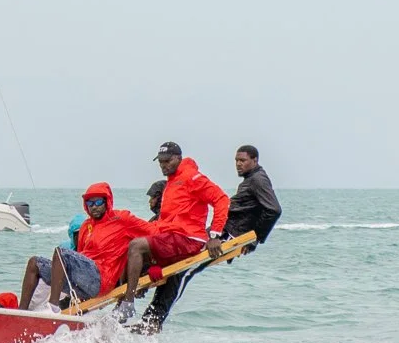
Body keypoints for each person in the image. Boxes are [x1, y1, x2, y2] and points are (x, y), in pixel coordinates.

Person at [137, 144, 282, 333]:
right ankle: (147, 307)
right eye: (236, 160)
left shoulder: (258, 179)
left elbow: (274, 209)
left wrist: (255, 239)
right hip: (224, 229)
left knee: (184, 270)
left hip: (229, 233)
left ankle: (153, 321)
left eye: (243, 160)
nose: (238, 164)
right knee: (176, 262)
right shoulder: (251, 179)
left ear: (255, 161)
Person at [115, 142, 229, 321]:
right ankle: (118, 316)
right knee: (125, 250)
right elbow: (167, 222)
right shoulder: (172, 182)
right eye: (160, 162)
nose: (163, 165)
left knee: (136, 246)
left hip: (188, 239)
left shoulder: (192, 177)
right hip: (170, 239)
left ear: (178, 158)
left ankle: (127, 305)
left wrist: (215, 235)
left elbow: (221, 199)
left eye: (167, 161)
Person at [19, 182, 153, 312]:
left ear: (107, 202)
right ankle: (20, 314)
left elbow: (154, 232)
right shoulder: (85, 226)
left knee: (61, 253)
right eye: (90, 203)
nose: (94, 207)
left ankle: (52, 307)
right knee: (34, 263)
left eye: (98, 202)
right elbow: (80, 256)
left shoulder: (122, 219)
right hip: (83, 279)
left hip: (102, 278)